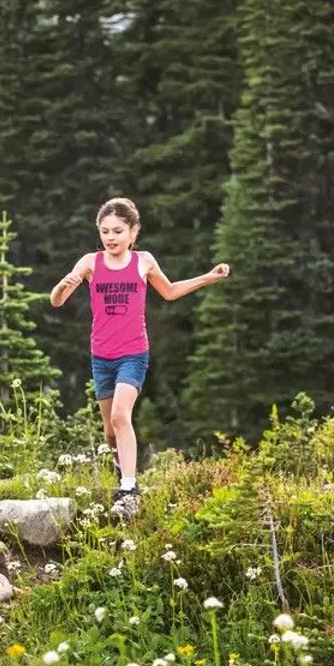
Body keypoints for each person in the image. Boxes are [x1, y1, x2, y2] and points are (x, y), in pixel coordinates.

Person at [49, 197, 229, 517]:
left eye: (117, 230)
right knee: (109, 429)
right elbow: (57, 301)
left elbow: (170, 291)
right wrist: (62, 287)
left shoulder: (143, 262)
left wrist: (208, 277)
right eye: (104, 231)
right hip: (101, 356)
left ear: (134, 231)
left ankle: (129, 490)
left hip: (133, 353)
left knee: (121, 415)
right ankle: (123, 471)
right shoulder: (90, 262)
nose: (110, 237)